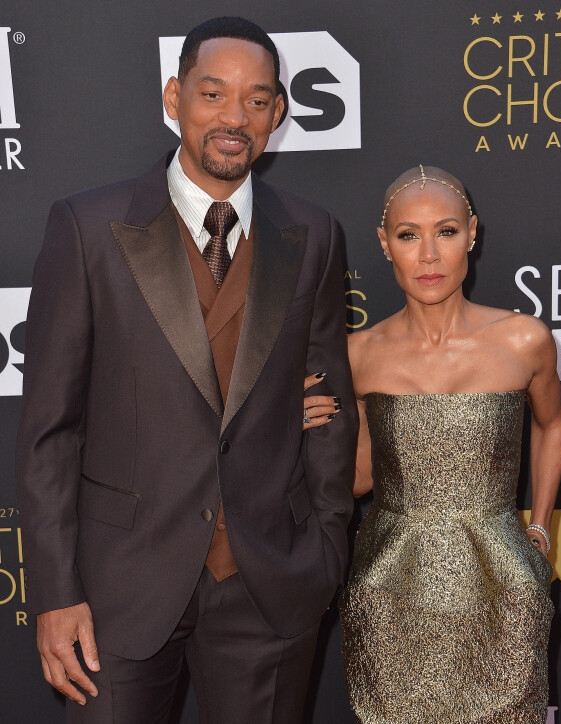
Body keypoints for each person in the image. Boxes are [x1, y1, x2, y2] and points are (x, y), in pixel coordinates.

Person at [15, 16, 358, 724]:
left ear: (279, 114)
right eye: (213, 93)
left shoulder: (313, 234)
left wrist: (323, 550)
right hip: (119, 588)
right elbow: (50, 430)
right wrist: (54, 592)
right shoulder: (88, 228)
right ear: (174, 98)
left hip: (270, 581)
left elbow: (330, 404)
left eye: (257, 100)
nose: (235, 118)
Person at [308, 165, 561, 722]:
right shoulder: (357, 354)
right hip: (390, 588)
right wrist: (310, 432)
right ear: (385, 244)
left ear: (471, 233)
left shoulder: (525, 340)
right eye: (408, 235)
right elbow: (359, 480)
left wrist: (540, 528)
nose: (428, 255)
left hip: (502, 584)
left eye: (445, 232)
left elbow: (552, 425)